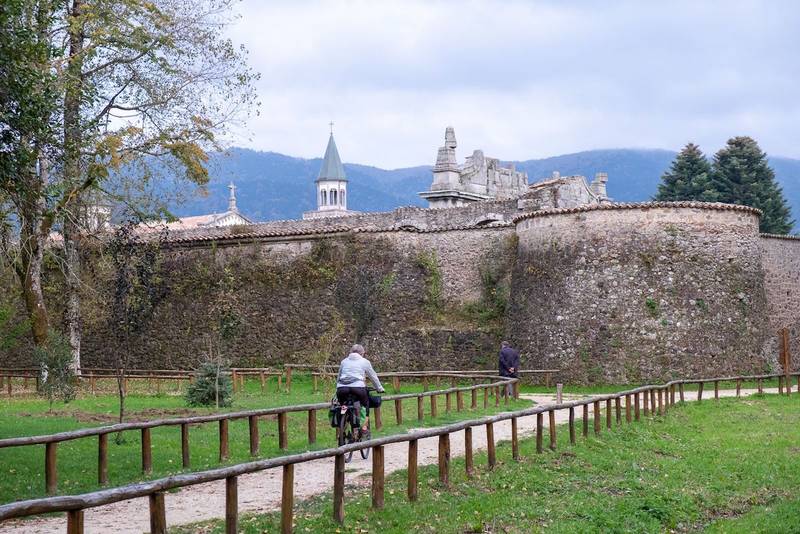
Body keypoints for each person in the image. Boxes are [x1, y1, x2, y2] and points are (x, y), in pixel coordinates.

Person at [336, 344, 384, 432]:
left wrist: (338, 387)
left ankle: (342, 427)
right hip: (358, 388)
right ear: (362, 353)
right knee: (366, 405)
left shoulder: (344, 361)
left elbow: (339, 376)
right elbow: (373, 376)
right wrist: (379, 388)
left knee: (342, 405)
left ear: (350, 352)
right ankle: (364, 428)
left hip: (342, 388)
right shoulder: (365, 361)